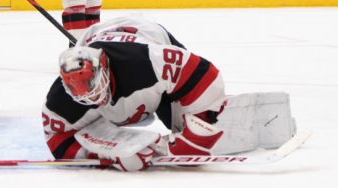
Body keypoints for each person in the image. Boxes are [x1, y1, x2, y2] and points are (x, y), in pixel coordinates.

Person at [42, 16, 297, 171]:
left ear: (105, 68)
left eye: (90, 84)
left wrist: (196, 130)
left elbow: (205, 76)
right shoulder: (60, 98)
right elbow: (58, 141)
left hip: (148, 34)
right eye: (76, 88)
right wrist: (109, 156)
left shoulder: (148, 61)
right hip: (94, 38)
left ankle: (212, 114)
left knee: (181, 124)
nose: (86, 95)